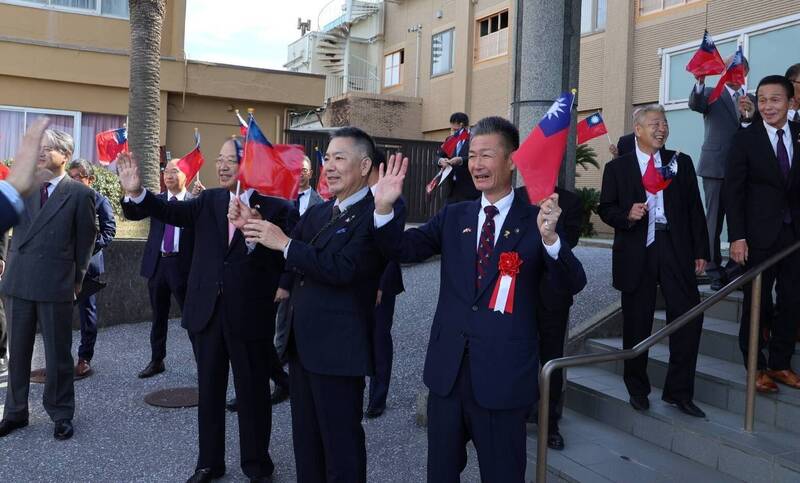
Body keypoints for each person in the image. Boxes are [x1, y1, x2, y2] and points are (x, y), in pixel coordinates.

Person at [370, 116, 586, 482]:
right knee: (440, 473)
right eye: (471, 155)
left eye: (487, 154)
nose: (476, 164)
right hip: (447, 376)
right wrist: (384, 210)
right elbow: (402, 248)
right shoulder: (455, 215)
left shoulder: (536, 220)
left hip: (503, 378)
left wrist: (551, 240)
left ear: (511, 160)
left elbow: (572, 282)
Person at [118, 136, 297, 483]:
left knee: (253, 393)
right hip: (207, 312)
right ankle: (209, 463)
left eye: (232, 159)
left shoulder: (277, 208)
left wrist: (254, 229)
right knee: (210, 392)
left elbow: (286, 256)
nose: (223, 165)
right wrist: (138, 192)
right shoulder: (209, 200)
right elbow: (170, 210)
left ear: (252, 163)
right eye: (220, 159)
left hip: (249, 313)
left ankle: (257, 465)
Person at [243, 127, 390, 483]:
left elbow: (343, 268)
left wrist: (286, 245)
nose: (330, 166)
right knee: (306, 444)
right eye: (327, 158)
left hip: (339, 352)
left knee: (341, 448)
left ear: (366, 165)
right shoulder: (321, 213)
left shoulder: (376, 215)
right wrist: (256, 232)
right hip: (303, 347)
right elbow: (290, 260)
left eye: (340, 158)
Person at [599, 104, 709, 417]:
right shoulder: (619, 168)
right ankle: (638, 388)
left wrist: (701, 251)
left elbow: (694, 209)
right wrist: (626, 215)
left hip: (676, 248)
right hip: (638, 250)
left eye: (664, 123)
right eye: (654, 124)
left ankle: (679, 392)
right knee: (637, 322)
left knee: (688, 318)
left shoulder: (679, 163)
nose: (661, 129)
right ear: (638, 130)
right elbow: (605, 209)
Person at [0, 129, 97, 441]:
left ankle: (61, 412)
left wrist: (77, 280)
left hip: (56, 282)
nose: (42, 153)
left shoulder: (80, 194)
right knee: (18, 352)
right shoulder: (23, 186)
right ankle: (15, 411)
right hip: (19, 278)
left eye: (49, 148)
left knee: (58, 355)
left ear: (65, 156)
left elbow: (86, 240)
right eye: (39, 148)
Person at [723, 75, 800, 393]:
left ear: (790, 102)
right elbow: (733, 191)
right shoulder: (745, 139)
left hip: (794, 235)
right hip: (757, 237)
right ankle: (755, 367)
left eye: (775, 99)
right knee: (758, 302)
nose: (768, 106)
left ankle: (781, 363)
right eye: (763, 100)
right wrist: (737, 236)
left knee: (793, 300)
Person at [518, 186, 582, 450]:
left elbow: (573, 240)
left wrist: (550, 228)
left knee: (552, 360)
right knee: (519, 357)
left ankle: (550, 422)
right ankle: (517, 411)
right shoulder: (518, 197)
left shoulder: (570, 201)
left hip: (555, 295)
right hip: (520, 293)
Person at [123, 159, 194, 379]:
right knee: (158, 316)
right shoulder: (157, 200)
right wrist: (129, 193)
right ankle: (157, 360)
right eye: (166, 172)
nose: (168, 175)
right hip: (158, 265)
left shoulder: (195, 202)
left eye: (175, 171)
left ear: (186, 175)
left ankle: (205, 360)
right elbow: (132, 213)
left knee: (192, 316)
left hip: (183, 266)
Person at [689, 55, 755, 290]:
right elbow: (696, 104)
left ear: (745, 72)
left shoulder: (752, 99)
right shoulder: (710, 93)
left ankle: (736, 270)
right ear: (724, 71)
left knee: (742, 221)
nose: (737, 73)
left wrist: (748, 116)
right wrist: (699, 82)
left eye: (741, 70)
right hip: (715, 167)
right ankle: (713, 271)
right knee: (713, 223)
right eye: (731, 69)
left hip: (744, 171)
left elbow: (753, 130)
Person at [68, 159, 116, 378]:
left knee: (88, 313)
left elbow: (109, 231)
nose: (74, 181)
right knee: (57, 313)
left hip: (89, 266)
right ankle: (59, 359)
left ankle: (84, 358)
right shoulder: (64, 199)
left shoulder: (100, 201)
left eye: (79, 177)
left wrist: (87, 248)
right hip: (64, 265)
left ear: (90, 179)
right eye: (72, 176)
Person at [365, 149, 405, 419]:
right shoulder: (354, 198)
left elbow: (394, 248)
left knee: (379, 338)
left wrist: (380, 285)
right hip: (356, 281)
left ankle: (378, 398)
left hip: (383, 283)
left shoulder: (394, 202)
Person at [273, 155, 324, 364]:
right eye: (295, 169)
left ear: (310, 173)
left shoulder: (320, 204)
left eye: (303, 170)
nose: (299, 174)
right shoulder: (277, 199)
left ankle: (284, 365)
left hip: (302, 270)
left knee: (291, 321)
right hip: (276, 270)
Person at [437, 112, 480, 204]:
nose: (452, 128)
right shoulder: (450, 139)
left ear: (461, 124)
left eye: (453, 125)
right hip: (451, 189)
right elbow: (439, 156)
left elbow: (477, 157)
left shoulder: (474, 139)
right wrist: (441, 161)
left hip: (469, 188)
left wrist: (461, 160)